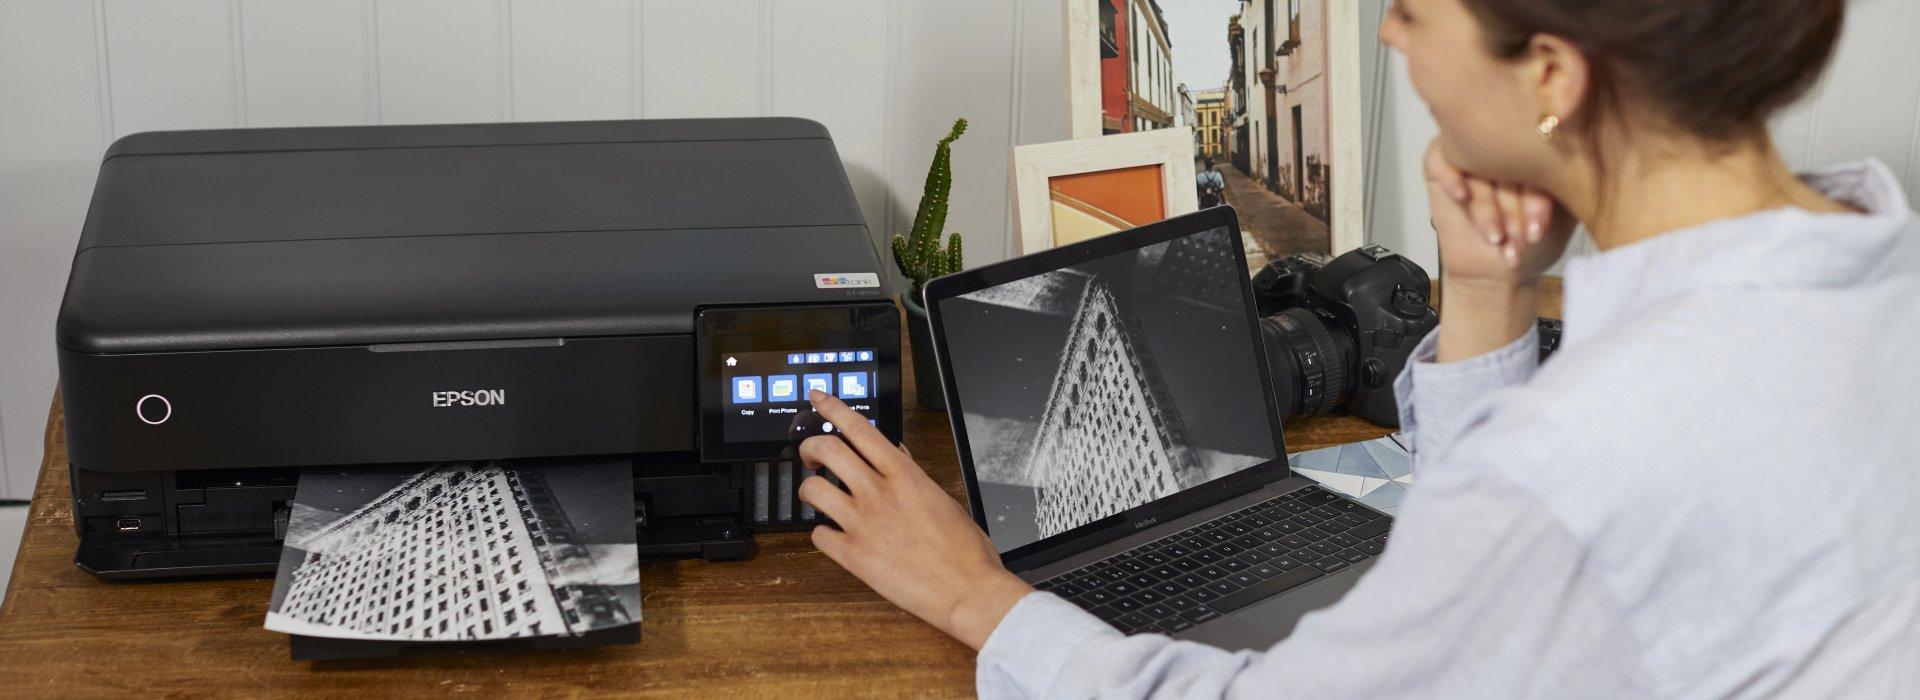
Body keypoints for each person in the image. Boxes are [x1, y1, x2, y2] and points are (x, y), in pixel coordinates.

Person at [794, 0, 1920, 695]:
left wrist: (976, 599)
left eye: (1418, 9)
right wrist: (1485, 295)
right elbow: (1512, 551)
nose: (1386, 30)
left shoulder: (1596, 456)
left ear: (1552, 80)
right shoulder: (1875, 272)